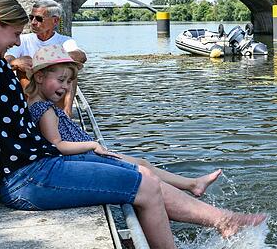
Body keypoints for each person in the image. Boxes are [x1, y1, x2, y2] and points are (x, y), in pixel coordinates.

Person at [0, 0, 266, 249]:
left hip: (35, 166)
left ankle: (220, 225)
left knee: (138, 171)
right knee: (143, 184)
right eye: (14, 32)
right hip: (24, 177)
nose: (17, 41)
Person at [26, 44, 221, 197]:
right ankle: (192, 185)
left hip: (86, 157)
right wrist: (91, 145)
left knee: (143, 164)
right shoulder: (45, 110)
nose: (66, 87)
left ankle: (191, 185)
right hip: (86, 157)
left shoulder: (36, 104)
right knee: (143, 168)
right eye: (61, 80)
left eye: (69, 81)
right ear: (40, 77)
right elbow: (57, 145)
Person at [6, 0, 86, 117]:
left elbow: (81, 56)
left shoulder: (65, 41)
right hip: (32, 93)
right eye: (31, 17)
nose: (33, 22)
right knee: (23, 63)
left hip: (55, 96)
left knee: (70, 66)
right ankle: (35, 111)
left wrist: (46, 61)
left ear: (55, 21)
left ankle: (66, 112)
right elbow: (7, 60)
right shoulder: (23, 40)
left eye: (39, 19)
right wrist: (16, 62)